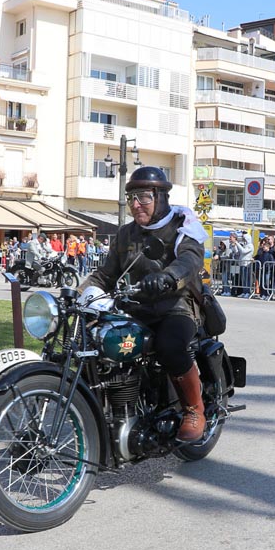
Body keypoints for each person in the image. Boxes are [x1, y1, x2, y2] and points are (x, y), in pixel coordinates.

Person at [79, 166, 208, 441]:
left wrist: (168, 276)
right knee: (95, 343)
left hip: (177, 305)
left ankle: (194, 409)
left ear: (161, 197)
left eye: (144, 197)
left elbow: (190, 261)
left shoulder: (182, 226)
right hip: (135, 308)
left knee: (170, 346)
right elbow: (106, 274)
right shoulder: (126, 234)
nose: (136, 205)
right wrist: (83, 292)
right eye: (132, 198)